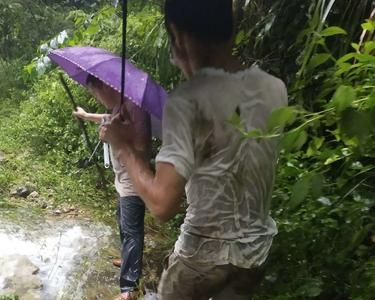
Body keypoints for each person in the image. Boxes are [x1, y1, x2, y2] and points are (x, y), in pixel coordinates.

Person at [100, 0, 288, 299]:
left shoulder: (187, 101)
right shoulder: (275, 88)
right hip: (254, 253)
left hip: (202, 257)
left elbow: (162, 205)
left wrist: (122, 146)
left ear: (179, 36)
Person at [74, 74, 151, 300]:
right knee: (124, 226)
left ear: (105, 86)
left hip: (133, 182)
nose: (95, 97)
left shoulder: (133, 106)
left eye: (95, 92)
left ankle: (130, 289)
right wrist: (87, 115)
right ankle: (128, 259)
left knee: (132, 233)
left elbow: (143, 145)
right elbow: (107, 118)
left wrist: (117, 136)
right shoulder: (119, 106)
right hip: (122, 180)